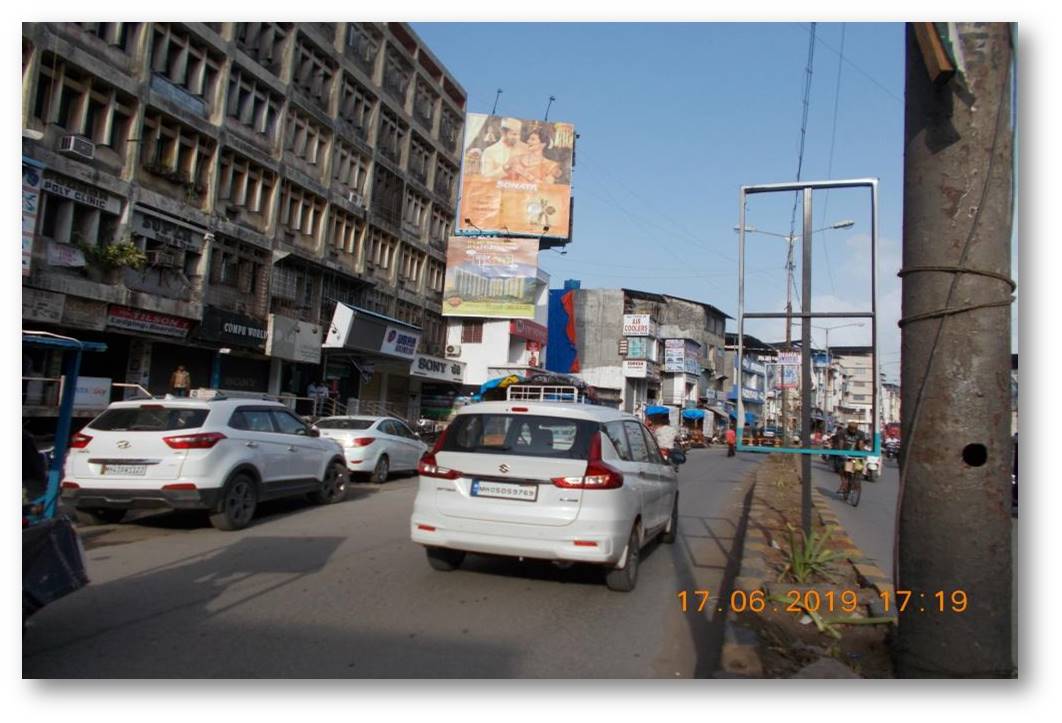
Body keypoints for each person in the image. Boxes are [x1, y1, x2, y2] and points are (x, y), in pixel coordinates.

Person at [835, 421, 868, 498]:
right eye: (851, 429)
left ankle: (856, 481)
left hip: (856, 454)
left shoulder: (860, 433)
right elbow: (841, 443)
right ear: (849, 428)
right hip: (845, 453)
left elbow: (860, 444)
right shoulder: (842, 432)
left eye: (855, 429)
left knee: (859, 467)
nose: (853, 430)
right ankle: (843, 483)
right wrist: (841, 453)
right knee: (843, 468)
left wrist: (863, 454)